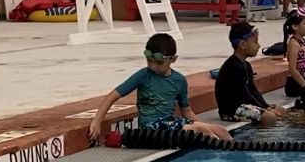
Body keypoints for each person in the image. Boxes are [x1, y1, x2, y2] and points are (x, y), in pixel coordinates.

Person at [88, 33, 232, 141]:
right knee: (200, 130)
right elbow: (113, 95)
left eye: (158, 63)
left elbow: (186, 112)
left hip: (171, 122)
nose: (152, 66)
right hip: (150, 127)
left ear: (173, 59)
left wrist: (206, 126)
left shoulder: (179, 80)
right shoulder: (143, 76)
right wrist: (97, 121)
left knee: (219, 130)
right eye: (149, 61)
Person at [215, 22, 283, 126]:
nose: (259, 45)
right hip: (230, 110)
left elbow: (253, 90)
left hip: (244, 105)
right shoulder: (234, 66)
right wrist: (264, 110)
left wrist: (265, 106)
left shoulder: (246, 65)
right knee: (269, 117)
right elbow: (244, 93)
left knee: (280, 110)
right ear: (243, 44)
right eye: (255, 42)